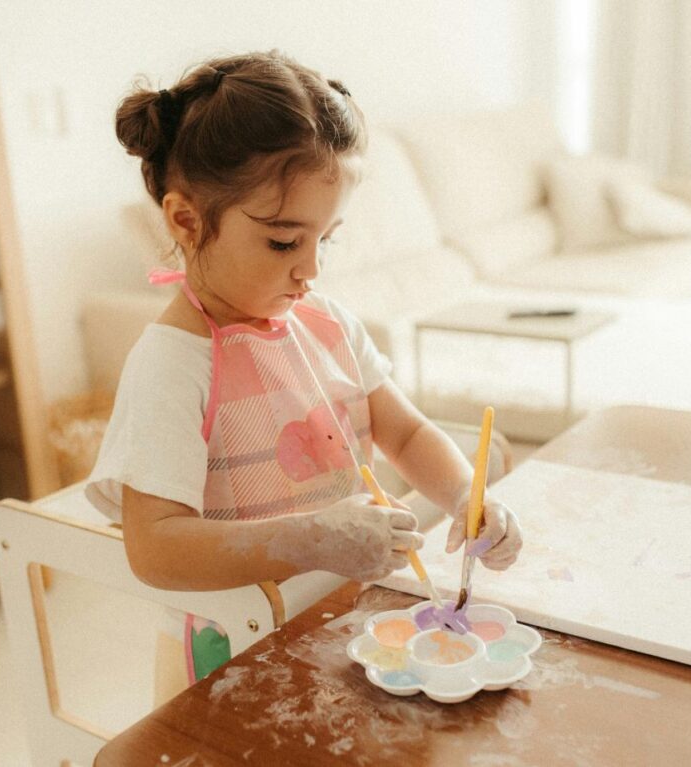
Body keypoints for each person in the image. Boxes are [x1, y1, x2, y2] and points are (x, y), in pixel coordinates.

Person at [86, 50, 523, 694]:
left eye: (328, 239)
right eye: (285, 241)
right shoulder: (172, 364)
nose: (311, 271)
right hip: (231, 656)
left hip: (344, 625)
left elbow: (403, 432)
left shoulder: (328, 322)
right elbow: (154, 548)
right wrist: (307, 539)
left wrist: (466, 495)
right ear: (185, 220)